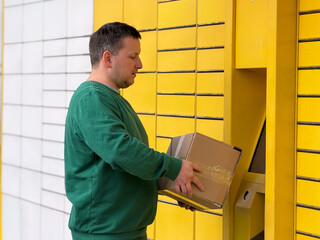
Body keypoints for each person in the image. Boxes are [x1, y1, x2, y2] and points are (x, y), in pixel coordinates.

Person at [64, 22, 204, 240]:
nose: (140, 64)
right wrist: (172, 167)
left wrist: (172, 182)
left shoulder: (111, 99)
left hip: (126, 231)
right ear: (108, 59)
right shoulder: (91, 98)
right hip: (106, 234)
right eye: (132, 56)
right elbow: (121, 151)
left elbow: (125, 167)